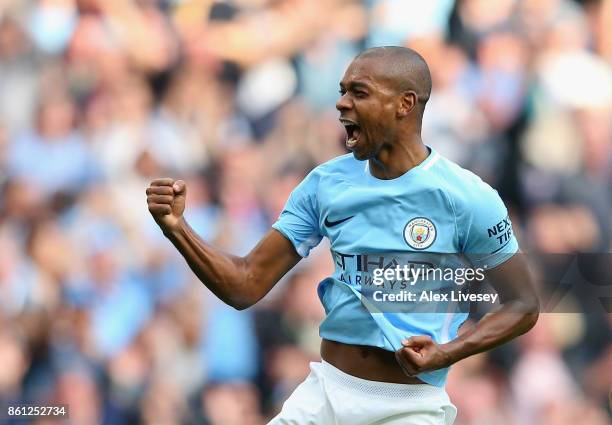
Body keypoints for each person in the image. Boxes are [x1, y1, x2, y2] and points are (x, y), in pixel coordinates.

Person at [146, 46, 539, 425]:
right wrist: (178, 229)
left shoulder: (466, 197)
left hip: (408, 407)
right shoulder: (325, 183)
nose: (341, 104)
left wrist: (448, 353)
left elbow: (522, 305)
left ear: (404, 104)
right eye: (342, 92)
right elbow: (245, 285)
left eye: (359, 92)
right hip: (326, 393)